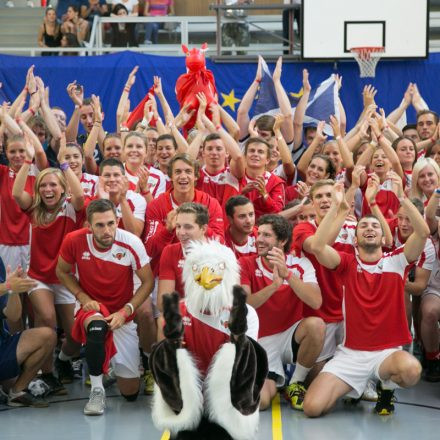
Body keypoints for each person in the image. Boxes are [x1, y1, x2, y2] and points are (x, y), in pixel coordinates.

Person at [303, 182, 428, 417]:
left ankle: (386, 388)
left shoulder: (398, 260)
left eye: (375, 226)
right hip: (351, 354)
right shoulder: (347, 263)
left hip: (386, 354)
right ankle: (354, 386)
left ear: (383, 238)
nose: (369, 228)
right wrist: (338, 208)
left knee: (411, 370)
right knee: (312, 408)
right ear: (355, 238)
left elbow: (422, 232)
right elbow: (318, 246)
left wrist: (402, 198)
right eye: (363, 226)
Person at [56, 199, 154, 415]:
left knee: (130, 393)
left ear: (117, 220)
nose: (107, 230)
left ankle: (107, 362)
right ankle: (97, 391)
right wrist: (81, 296)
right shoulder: (73, 240)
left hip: (122, 314)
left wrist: (126, 310)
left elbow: (148, 282)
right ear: (89, 226)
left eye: (111, 223)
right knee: (97, 328)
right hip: (91, 306)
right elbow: (61, 271)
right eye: (99, 225)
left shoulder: (131, 242)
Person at [12, 135, 85, 392]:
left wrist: (64, 166)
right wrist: (28, 162)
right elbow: (15, 193)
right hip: (38, 276)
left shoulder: (71, 208)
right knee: (46, 318)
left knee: (75, 335)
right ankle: (47, 373)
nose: (48, 190)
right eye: (43, 186)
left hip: (65, 277)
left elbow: (79, 196)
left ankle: (64, 359)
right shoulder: (34, 208)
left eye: (53, 185)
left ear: (62, 188)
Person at [240, 214, 324, 411]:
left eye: (266, 235)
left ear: (283, 240)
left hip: (289, 335)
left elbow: (316, 301)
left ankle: (295, 383)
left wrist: (287, 275)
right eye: (258, 233)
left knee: (317, 325)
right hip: (260, 341)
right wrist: (274, 285)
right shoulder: (245, 263)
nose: (259, 239)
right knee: (259, 403)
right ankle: (269, 380)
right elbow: (246, 304)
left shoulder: (300, 264)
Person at [144, 153, 225, 277]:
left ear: (196, 176)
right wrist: (167, 230)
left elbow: (220, 244)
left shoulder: (210, 203)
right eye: (177, 172)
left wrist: (199, 225)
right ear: (170, 176)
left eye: (188, 171)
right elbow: (150, 250)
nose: (183, 176)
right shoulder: (157, 205)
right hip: (165, 273)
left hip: (203, 271)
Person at [0, 262, 56, 408]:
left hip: (2, 346)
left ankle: (16, 392)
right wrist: (8, 286)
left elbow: (13, 315)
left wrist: (14, 291)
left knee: (47, 336)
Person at [158, 202, 208, 301]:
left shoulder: (220, 254)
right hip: (181, 313)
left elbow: (227, 301)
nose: (181, 233)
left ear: (203, 229)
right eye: (178, 226)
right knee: (162, 317)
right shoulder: (170, 251)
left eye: (188, 227)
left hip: (211, 314)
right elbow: (163, 302)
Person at [240, 137, 285, 219]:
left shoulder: (275, 181)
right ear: (245, 156)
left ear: (267, 160)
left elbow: (278, 213)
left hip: (262, 228)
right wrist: (241, 192)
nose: (255, 154)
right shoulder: (236, 176)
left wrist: (264, 194)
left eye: (260, 152)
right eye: (252, 151)